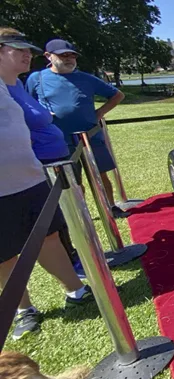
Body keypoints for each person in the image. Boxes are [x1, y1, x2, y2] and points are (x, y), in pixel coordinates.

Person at [0, 30, 94, 340]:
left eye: (28, 50)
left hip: (31, 178)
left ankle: (76, 290)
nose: (26, 54)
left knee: (49, 236)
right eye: (18, 50)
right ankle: (23, 309)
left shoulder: (16, 86)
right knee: (4, 254)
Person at [25, 38, 127, 215]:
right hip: (61, 139)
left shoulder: (86, 78)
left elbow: (117, 95)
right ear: (49, 56)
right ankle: (83, 213)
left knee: (100, 174)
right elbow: (28, 103)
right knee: (73, 179)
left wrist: (100, 112)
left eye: (73, 56)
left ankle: (110, 207)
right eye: (63, 55)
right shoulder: (37, 78)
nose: (69, 59)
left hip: (90, 135)